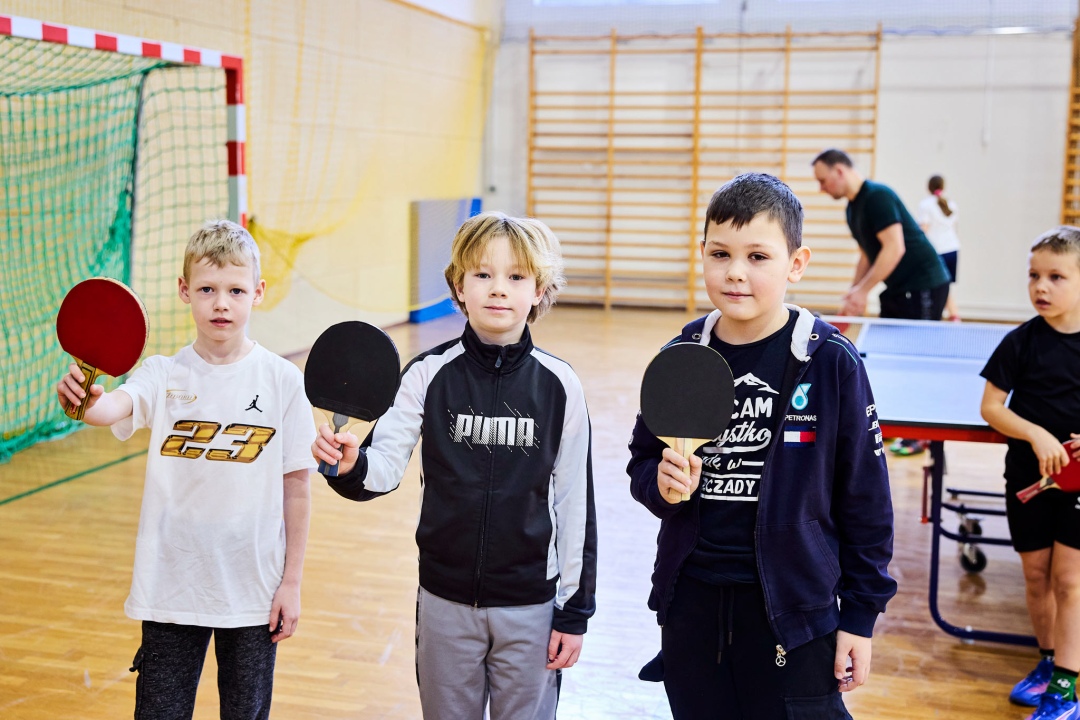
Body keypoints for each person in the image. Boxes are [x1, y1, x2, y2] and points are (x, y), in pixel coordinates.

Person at [627, 173, 896, 719]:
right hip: (692, 603)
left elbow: (866, 499)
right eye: (721, 253)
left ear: (796, 264)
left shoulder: (829, 362)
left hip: (793, 611)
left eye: (758, 257)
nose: (735, 273)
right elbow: (643, 460)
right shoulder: (683, 353)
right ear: (702, 253)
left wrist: (860, 618)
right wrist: (658, 482)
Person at [311, 211, 597, 720]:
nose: (498, 289)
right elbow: (382, 468)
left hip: (530, 605)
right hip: (443, 600)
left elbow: (576, 505)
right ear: (459, 287)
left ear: (539, 291)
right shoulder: (426, 374)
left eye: (516, 277)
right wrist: (350, 465)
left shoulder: (560, 385)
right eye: (483, 274)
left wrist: (574, 613)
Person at [55, 220, 315, 720]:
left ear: (258, 293)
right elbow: (111, 408)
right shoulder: (162, 373)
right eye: (207, 289)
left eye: (236, 290)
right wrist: (84, 401)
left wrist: (292, 582)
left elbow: (298, 487)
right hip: (171, 588)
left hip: (254, 591)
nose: (222, 303)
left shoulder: (283, 381)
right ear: (184, 291)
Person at [979, 227, 1080, 720]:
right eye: (1034, 275)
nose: (1041, 286)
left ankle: (1066, 686)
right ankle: (1046, 661)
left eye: (1056, 276)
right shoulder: (1020, 342)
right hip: (1027, 478)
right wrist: (1037, 435)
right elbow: (992, 408)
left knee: (1070, 583)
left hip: (1079, 487)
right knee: (1036, 577)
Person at [813, 149, 951, 456]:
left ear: (840, 172)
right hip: (899, 289)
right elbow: (868, 253)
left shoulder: (877, 196)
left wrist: (863, 291)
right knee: (892, 354)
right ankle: (894, 423)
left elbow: (894, 248)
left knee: (918, 358)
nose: (821, 188)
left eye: (823, 181)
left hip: (924, 283)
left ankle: (920, 433)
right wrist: (854, 294)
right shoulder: (853, 209)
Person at [916, 175, 960, 321]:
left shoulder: (926, 205)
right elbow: (954, 228)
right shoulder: (951, 204)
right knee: (945, 288)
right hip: (953, 249)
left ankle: (949, 316)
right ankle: (954, 317)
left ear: (928, 187)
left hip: (937, 252)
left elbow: (924, 229)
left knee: (939, 288)